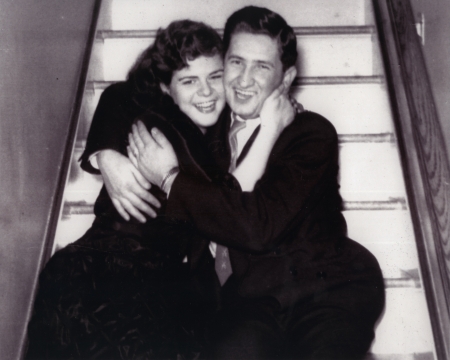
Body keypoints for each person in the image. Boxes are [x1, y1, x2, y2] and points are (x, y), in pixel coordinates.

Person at [26, 19, 296, 359]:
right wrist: (105, 155)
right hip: (112, 279)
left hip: (121, 275)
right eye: (188, 80)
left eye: (214, 77)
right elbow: (226, 203)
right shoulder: (163, 129)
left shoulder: (200, 130)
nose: (207, 92)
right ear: (166, 88)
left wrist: (105, 152)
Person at [128, 6, 386, 360]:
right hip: (250, 302)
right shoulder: (205, 123)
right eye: (236, 62)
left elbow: (257, 225)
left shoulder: (311, 133)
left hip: (325, 292)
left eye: (261, 66)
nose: (243, 79)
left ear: (286, 78)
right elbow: (125, 96)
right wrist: (105, 156)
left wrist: (170, 178)